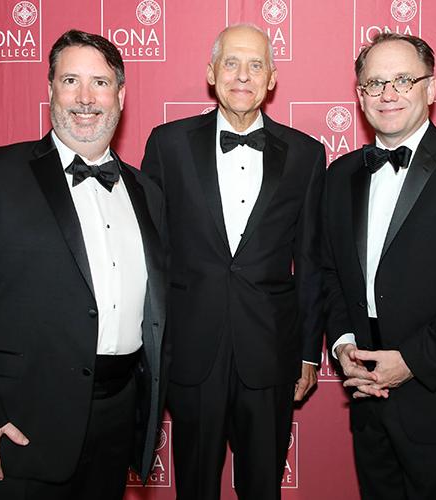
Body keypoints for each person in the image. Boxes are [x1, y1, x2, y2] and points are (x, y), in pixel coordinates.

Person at [142, 23, 325, 500]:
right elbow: (149, 255)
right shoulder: (167, 144)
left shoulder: (306, 154)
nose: (242, 75)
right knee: (195, 487)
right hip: (192, 351)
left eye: (256, 65)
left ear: (271, 79)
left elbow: (309, 262)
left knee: (263, 488)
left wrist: (308, 352)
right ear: (211, 72)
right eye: (231, 63)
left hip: (270, 354)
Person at [0, 29, 167, 500]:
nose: (85, 98)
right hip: (23, 423)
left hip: (119, 416)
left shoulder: (147, 192)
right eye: (71, 81)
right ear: (50, 89)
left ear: (121, 95)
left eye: (100, 83)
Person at [323, 32, 436, 500]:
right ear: (359, 97)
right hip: (368, 401)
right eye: (374, 84)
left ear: (431, 89)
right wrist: (344, 346)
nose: (388, 94)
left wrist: (411, 362)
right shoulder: (340, 175)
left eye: (402, 80)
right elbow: (333, 275)